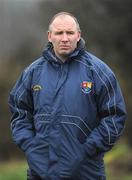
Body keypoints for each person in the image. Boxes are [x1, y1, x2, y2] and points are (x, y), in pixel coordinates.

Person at [8, 12, 127, 180]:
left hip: (86, 172)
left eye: (70, 33)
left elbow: (115, 116)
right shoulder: (32, 72)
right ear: (50, 36)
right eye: (59, 33)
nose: (65, 38)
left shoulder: (99, 72)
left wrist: (87, 149)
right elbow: (19, 112)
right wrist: (30, 146)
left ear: (78, 35)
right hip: (40, 172)